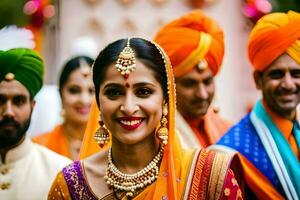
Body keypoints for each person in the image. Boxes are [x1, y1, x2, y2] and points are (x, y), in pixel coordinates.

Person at [48, 37, 243, 199]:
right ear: (98, 102)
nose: (129, 107)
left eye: (143, 91)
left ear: (165, 100)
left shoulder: (210, 176)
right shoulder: (71, 185)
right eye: (114, 92)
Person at [217, 10, 300, 199]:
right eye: (277, 74)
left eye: (296, 74)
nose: (288, 84)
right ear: (257, 80)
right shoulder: (231, 153)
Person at [0, 48, 71, 199]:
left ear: (32, 106)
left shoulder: (61, 172)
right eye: (0, 100)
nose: (8, 112)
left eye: (18, 101)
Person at [154, 10, 232, 149]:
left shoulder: (228, 131)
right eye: (189, 84)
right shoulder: (154, 138)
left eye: (207, 82)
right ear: (168, 86)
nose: (202, 94)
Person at [33, 56, 94, 160]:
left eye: (92, 91)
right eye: (74, 90)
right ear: (60, 94)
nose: (84, 100)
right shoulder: (39, 148)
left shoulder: (117, 146)